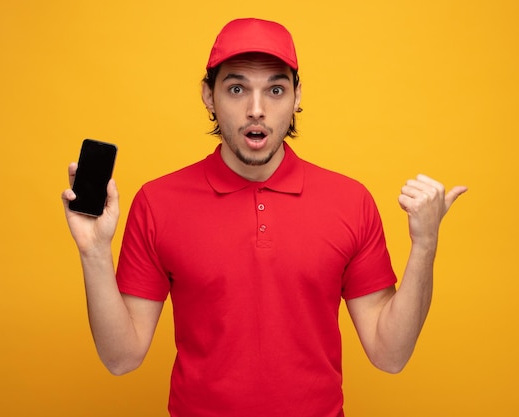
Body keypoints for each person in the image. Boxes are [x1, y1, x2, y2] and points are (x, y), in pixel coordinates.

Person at [62, 17, 467, 417]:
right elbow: (122, 358)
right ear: (208, 95)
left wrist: (425, 245)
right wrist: (94, 253)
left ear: (296, 96)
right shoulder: (157, 202)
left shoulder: (350, 201)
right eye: (237, 88)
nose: (256, 110)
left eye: (275, 89)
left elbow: (390, 354)